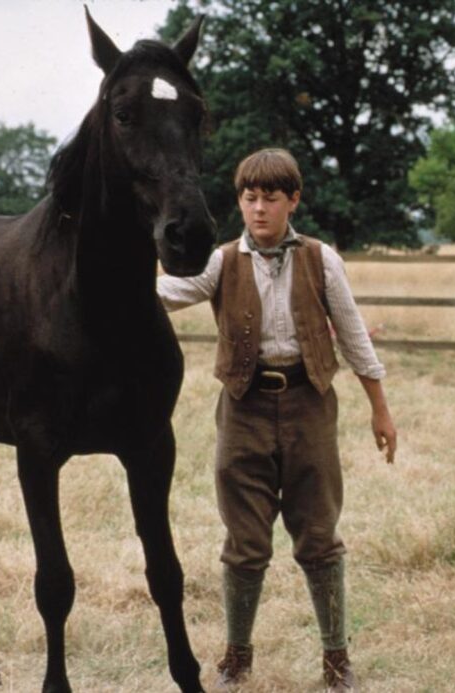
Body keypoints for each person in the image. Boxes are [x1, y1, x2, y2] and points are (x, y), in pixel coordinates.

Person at [157, 148, 397, 692]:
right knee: (244, 542)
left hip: (310, 405)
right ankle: (236, 658)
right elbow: (173, 291)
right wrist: (118, 282)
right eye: (249, 198)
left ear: (294, 200)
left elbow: (354, 336)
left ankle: (337, 661)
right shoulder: (222, 261)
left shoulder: (321, 258)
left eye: (270, 198)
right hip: (242, 408)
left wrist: (380, 408)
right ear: (239, 202)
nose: (259, 209)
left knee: (318, 537)